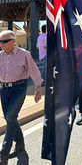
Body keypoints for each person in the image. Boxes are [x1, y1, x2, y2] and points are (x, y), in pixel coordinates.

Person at [0, 30, 43, 164]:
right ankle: (20, 145)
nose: (1, 44)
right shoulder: (0, 55)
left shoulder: (24, 54)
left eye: (4, 41)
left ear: (13, 41)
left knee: (11, 117)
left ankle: (3, 154)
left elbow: (34, 71)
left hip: (19, 89)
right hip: (3, 89)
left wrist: (38, 90)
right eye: (0, 42)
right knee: (10, 119)